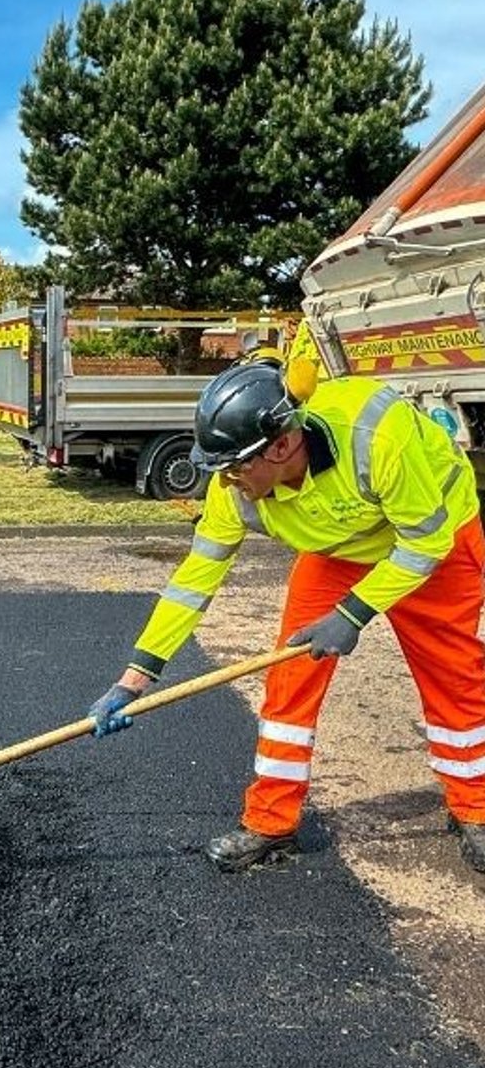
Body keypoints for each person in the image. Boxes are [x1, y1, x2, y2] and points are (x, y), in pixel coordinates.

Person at [87, 353, 485, 873]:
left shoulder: (377, 435)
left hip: (436, 540)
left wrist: (353, 614)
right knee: (290, 677)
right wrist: (135, 678)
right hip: (338, 551)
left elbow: (424, 542)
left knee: (453, 678)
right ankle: (271, 821)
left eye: (235, 468)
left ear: (280, 446)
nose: (226, 482)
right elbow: (193, 581)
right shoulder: (234, 489)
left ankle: (474, 808)